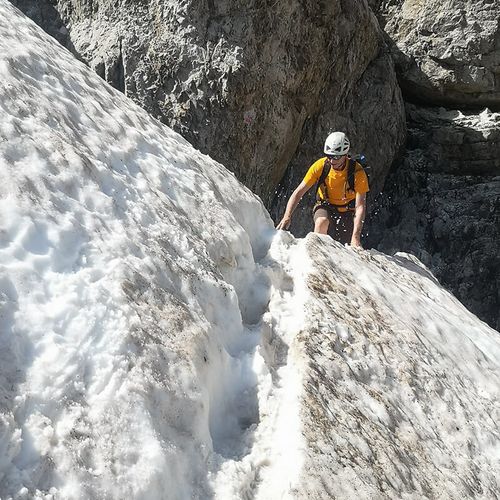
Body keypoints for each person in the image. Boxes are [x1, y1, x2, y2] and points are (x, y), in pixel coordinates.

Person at [276, 132, 369, 248]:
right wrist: (287, 216)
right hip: (325, 205)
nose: (331, 160)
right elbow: (299, 192)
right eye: (329, 156)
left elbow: (360, 206)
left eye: (335, 157)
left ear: (345, 155)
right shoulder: (320, 166)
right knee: (321, 222)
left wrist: (356, 237)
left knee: (346, 246)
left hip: (347, 211)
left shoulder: (357, 172)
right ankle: (317, 256)